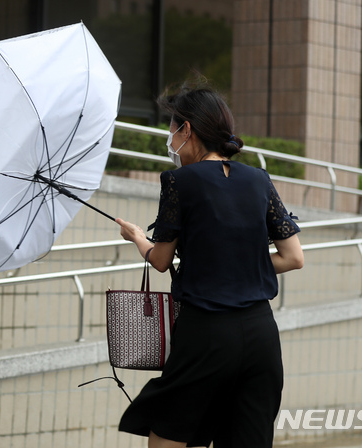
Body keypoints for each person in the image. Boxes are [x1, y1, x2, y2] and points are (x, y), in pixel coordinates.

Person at [115, 79, 304, 448]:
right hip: (261, 336)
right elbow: (293, 257)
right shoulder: (258, 179)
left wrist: (139, 237)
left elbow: (161, 259)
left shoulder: (179, 181)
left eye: (172, 129)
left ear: (187, 129)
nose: (170, 140)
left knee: (168, 436)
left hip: (205, 334)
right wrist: (240, 262)